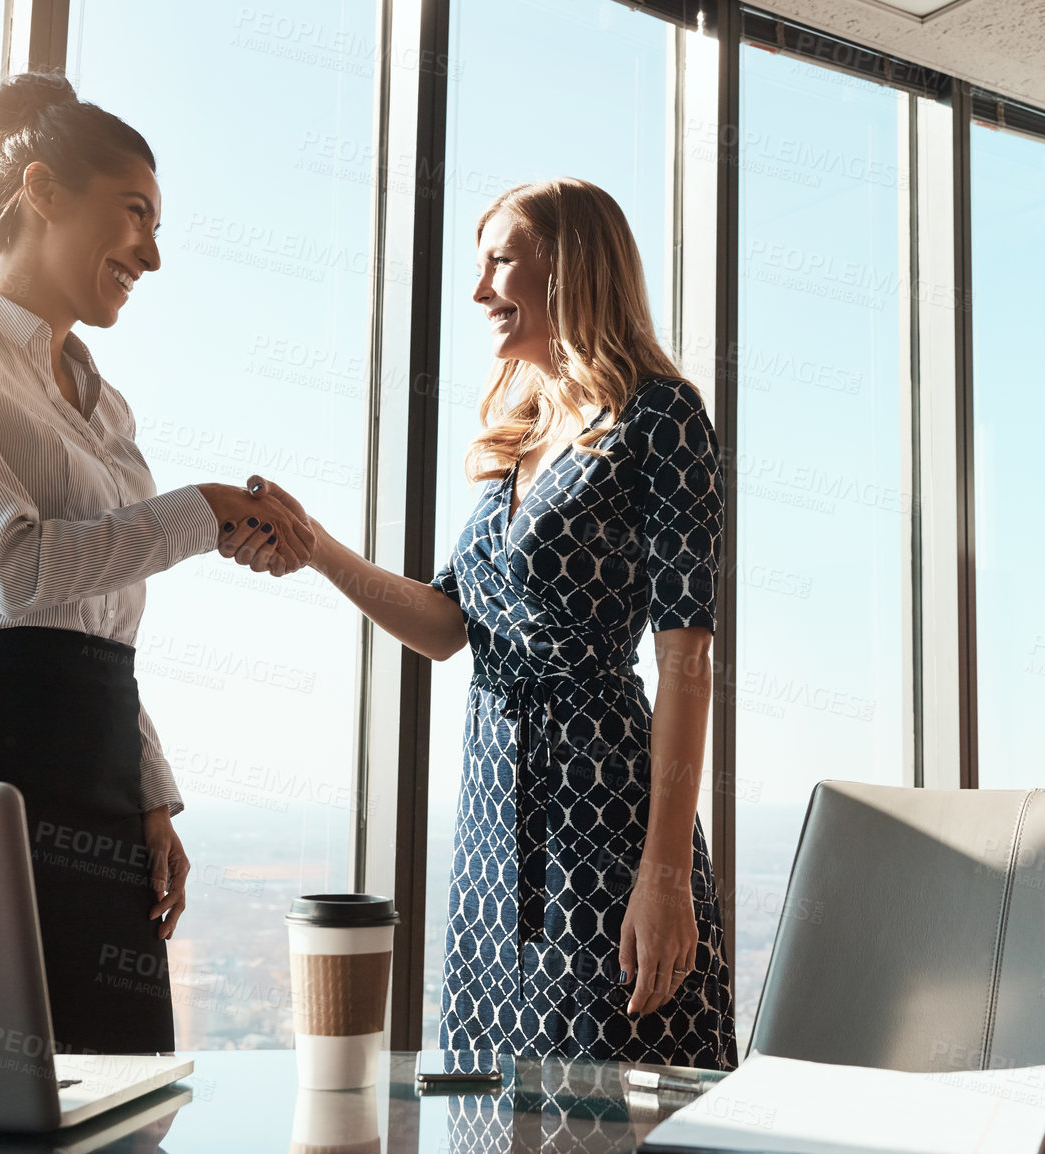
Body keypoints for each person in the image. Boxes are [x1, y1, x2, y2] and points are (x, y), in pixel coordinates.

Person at [0, 71, 312, 1055]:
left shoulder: (109, 410)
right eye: (136, 214)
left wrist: (148, 787)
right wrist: (200, 512)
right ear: (42, 193)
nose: (152, 252)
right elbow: (13, 571)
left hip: (97, 754)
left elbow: (102, 618)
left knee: (121, 1074)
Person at [248, 178, 737, 1068]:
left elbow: (686, 660)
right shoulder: (521, 433)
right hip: (489, 812)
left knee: (607, 1087)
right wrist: (317, 548)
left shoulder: (663, 416)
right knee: (489, 1089)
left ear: (573, 266)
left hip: (605, 803)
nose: (478, 292)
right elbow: (446, 627)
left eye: (501, 261)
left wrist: (663, 880)